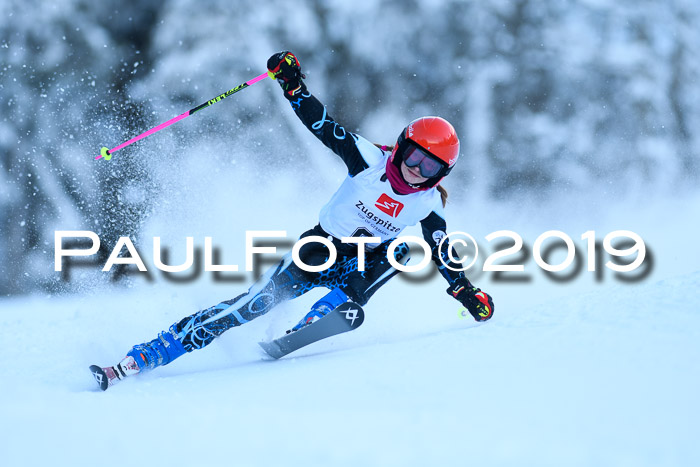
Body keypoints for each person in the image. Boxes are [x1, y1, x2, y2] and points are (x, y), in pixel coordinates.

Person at [94, 51, 494, 388]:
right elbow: (322, 125)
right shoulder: (366, 160)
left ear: (440, 175)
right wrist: (293, 85)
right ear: (403, 147)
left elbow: (442, 251)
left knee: (403, 249)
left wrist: (463, 291)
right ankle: (147, 355)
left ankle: (330, 310)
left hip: (364, 262)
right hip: (317, 250)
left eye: (430, 167)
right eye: (414, 157)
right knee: (248, 307)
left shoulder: (427, 204)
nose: (416, 170)